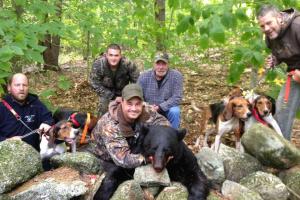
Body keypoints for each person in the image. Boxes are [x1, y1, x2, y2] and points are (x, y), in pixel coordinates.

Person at [91, 83, 170, 199]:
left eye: (138, 104)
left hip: (132, 146)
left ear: (142, 103)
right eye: (129, 104)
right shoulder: (109, 125)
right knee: (113, 179)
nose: (134, 108)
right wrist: (149, 158)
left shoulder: (146, 111)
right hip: (107, 157)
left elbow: (165, 125)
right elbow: (123, 159)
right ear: (121, 102)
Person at [257, 5, 300, 140]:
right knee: (282, 111)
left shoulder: (297, 26)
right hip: (294, 74)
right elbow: (281, 53)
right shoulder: (270, 36)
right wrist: (275, 60)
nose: (267, 29)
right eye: (262, 26)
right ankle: (282, 153)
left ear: (279, 17)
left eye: (269, 23)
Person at [0, 73, 54, 151]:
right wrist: (7, 141)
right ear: (9, 88)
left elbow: (49, 118)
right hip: (9, 155)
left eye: (24, 85)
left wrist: (47, 123)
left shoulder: (35, 103)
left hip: (35, 154)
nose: (21, 88)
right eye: (17, 85)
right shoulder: (2, 107)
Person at [89, 43, 140, 116]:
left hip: (124, 92)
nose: (113, 58)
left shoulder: (128, 64)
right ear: (106, 55)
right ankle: (101, 124)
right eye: (111, 55)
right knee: (103, 106)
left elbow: (137, 81)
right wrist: (113, 97)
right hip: (105, 92)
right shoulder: (99, 64)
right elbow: (94, 83)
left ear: (120, 56)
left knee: (131, 108)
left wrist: (130, 94)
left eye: (116, 55)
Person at [137, 52, 183, 129]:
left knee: (175, 111)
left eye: (164, 64)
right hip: (148, 108)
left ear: (168, 64)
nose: (160, 67)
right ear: (153, 64)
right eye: (158, 64)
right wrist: (147, 106)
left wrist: (160, 107)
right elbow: (137, 95)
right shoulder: (144, 76)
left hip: (167, 108)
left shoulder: (176, 76)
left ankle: (174, 135)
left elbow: (177, 97)